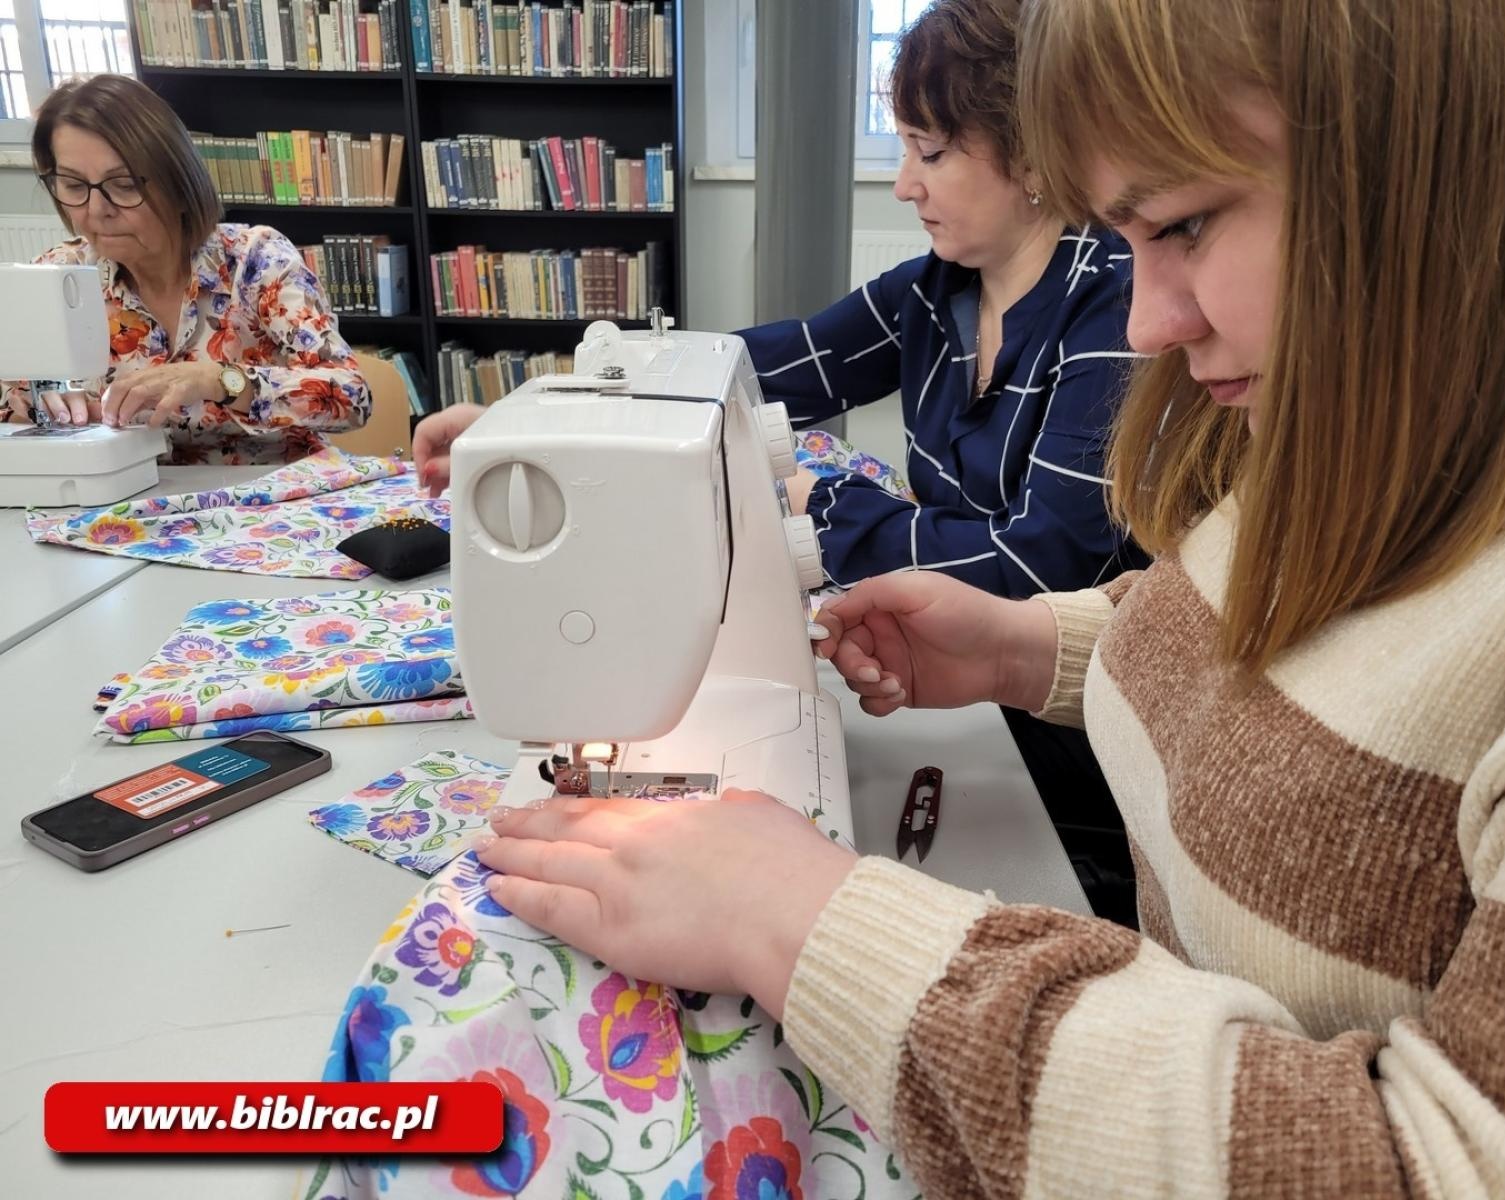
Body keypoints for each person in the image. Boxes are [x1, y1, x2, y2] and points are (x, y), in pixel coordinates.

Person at [472, 0, 1505, 1194]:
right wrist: (1031, 650)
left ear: (1438, 166)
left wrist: (800, 919)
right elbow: (1248, 626)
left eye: (1183, 224)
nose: (1152, 321)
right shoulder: (1347, 437)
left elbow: (1459, 1169)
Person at [413, 0, 1143, 920]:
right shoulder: (938, 291)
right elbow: (754, 365)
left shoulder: (1116, 312)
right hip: (958, 697)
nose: (904, 187)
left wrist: (811, 502)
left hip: (1068, 750)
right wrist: (540, 415)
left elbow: (1039, 566)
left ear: (1032, 155)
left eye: (930, 153)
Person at [1, 75, 369, 465]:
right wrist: (37, 403)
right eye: (74, 186)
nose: (96, 211)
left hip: (273, 489)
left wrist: (220, 381)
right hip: (131, 496)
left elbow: (352, 396)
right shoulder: (58, 276)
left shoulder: (256, 260)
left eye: (123, 185)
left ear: (178, 182)